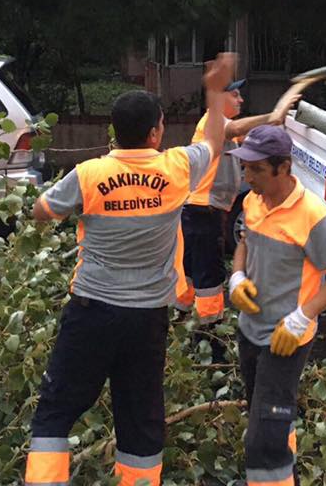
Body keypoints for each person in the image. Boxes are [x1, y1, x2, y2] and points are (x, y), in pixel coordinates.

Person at [23, 53, 235, 486]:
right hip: (146, 320)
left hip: (91, 312)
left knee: (56, 411)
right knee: (140, 420)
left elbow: (41, 211)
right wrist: (214, 91)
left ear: (114, 131)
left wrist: (80, 204)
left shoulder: (90, 174)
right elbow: (214, 141)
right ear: (156, 132)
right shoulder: (176, 168)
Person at [226, 125, 326, 486]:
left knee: (263, 443)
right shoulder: (253, 201)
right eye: (245, 167)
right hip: (249, 331)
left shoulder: (312, 216)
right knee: (268, 421)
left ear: (283, 168)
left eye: (257, 169)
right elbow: (244, 243)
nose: (247, 177)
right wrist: (236, 276)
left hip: (284, 342)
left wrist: (302, 317)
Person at [176, 80, 300, 336]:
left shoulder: (224, 129)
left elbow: (253, 135)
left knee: (192, 270)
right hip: (203, 211)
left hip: (200, 211)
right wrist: (273, 115)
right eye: (235, 95)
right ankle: (211, 333)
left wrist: (280, 119)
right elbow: (236, 128)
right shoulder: (212, 121)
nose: (241, 100)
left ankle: (180, 318)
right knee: (209, 276)